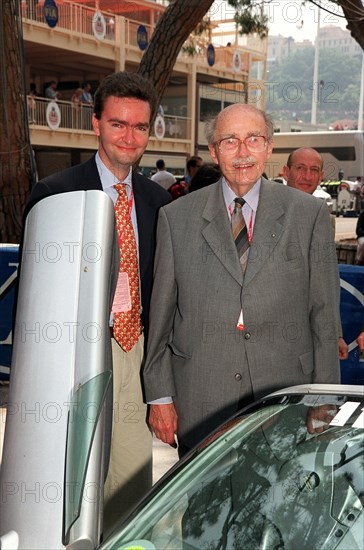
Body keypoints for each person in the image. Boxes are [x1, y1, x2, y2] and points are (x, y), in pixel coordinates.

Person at [143, 103, 340, 458]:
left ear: (269, 146)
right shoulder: (176, 218)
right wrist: (160, 396)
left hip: (284, 403)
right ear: (214, 151)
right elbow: (161, 317)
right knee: (203, 512)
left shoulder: (309, 215)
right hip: (200, 403)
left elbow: (324, 315)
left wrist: (324, 400)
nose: (243, 152)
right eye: (230, 141)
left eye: (253, 139)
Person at [24, 71, 170, 534]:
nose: (130, 136)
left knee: (131, 484)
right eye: (118, 124)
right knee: (71, 479)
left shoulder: (159, 202)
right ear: (96, 124)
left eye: (140, 127)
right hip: (73, 353)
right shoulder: (55, 194)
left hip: (134, 351)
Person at [283, 147, 349, 360]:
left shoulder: (325, 219)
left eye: (314, 170)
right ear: (286, 172)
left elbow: (326, 282)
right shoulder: (260, 210)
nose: (307, 176)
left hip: (303, 334)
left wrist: (335, 335)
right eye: (300, 168)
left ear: (321, 177)